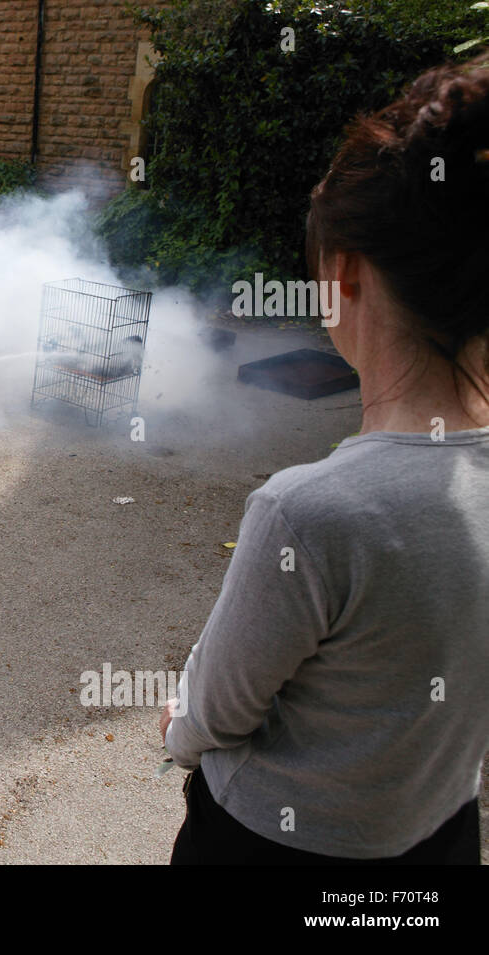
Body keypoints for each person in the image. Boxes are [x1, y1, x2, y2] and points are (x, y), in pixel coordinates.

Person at [161, 53, 489, 864]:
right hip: (438, 839)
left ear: (343, 271)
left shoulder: (309, 512)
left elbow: (214, 715)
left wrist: (177, 727)